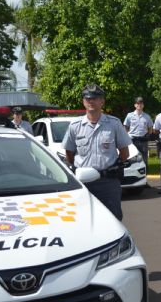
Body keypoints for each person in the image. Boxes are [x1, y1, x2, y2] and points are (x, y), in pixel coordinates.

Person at [62, 83, 131, 220]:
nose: (91, 101)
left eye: (95, 98)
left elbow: (124, 152)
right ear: (83, 102)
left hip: (108, 182)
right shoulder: (75, 126)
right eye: (88, 98)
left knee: (113, 219)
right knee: (83, 219)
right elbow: (69, 154)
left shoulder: (114, 124)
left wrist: (113, 167)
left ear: (102, 101)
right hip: (82, 183)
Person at [123, 96, 153, 165]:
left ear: (143, 105)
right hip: (132, 140)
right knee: (132, 158)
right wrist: (128, 135)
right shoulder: (129, 115)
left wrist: (147, 135)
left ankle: (144, 174)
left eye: (141, 103)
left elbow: (150, 128)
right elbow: (125, 126)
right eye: (137, 103)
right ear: (135, 105)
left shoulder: (147, 116)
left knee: (144, 159)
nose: (139, 105)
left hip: (143, 141)